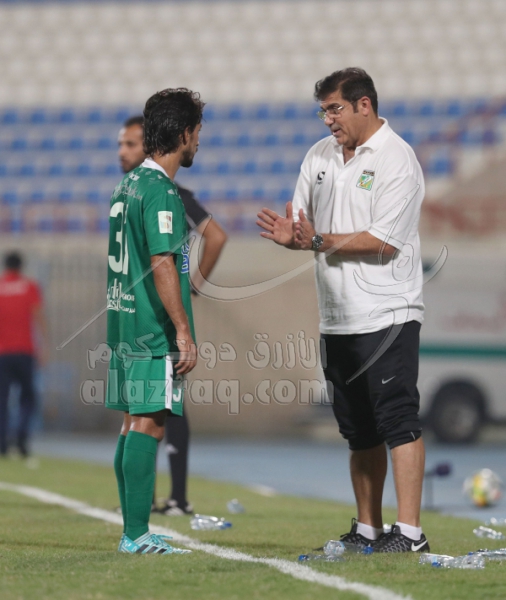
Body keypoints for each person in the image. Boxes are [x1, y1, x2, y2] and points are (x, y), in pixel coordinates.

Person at [257, 68, 428, 553]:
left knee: (398, 421)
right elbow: (303, 226)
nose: (328, 119)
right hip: (337, 316)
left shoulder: (397, 158)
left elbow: (385, 243)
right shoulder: (319, 156)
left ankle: (410, 534)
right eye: (323, 112)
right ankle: (369, 530)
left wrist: (315, 240)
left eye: (335, 109)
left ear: (364, 105)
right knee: (359, 432)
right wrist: (296, 236)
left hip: (388, 314)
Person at [106, 87, 204, 554]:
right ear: (183, 134)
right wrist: (182, 329)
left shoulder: (127, 185)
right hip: (150, 327)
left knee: (131, 424)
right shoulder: (161, 191)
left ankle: (133, 528)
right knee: (149, 425)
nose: (198, 142)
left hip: (123, 321)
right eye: (197, 132)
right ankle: (136, 534)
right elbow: (163, 261)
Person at [118, 115, 227, 516]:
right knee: (147, 411)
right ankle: (142, 512)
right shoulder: (141, 190)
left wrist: (191, 288)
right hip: (144, 315)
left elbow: (214, 237)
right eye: (121, 144)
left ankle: (166, 500)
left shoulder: (163, 193)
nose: (122, 152)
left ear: (149, 144)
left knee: (153, 411)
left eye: (130, 144)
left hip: (144, 316)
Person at [0, 251, 49, 457]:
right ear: (21, 267)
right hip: (24, 351)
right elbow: (38, 316)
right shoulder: (29, 287)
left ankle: (2, 443)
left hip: (2, 353)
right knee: (28, 398)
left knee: (2, 399)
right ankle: (21, 438)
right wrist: (44, 347)